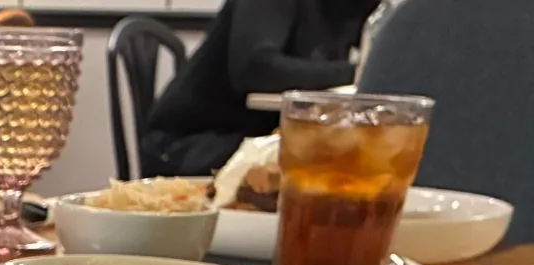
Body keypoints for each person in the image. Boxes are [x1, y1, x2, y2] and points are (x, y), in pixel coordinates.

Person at [143, 0, 380, 178]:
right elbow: (254, 68)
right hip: (190, 144)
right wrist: (363, 72)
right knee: (331, 163)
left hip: (254, 138)